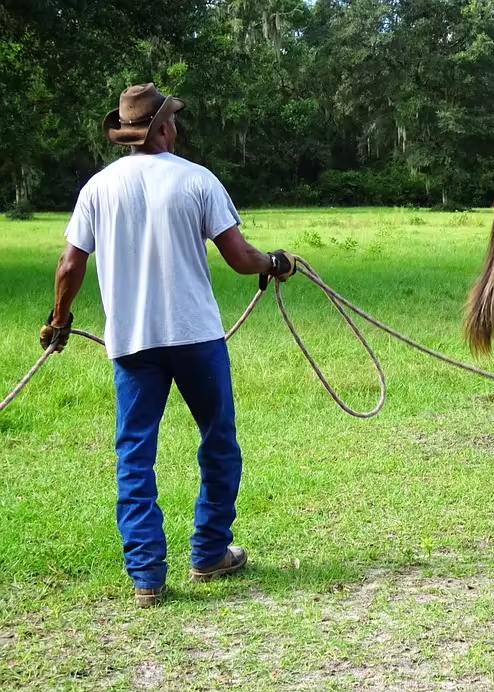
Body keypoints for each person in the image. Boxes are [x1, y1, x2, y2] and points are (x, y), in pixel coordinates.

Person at [40, 83, 296, 608]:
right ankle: (209, 553)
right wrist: (274, 263)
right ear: (160, 128)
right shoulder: (197, 181)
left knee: (135, 454)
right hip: (195, 336)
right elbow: (240, 256)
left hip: (132, 342)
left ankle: (147, 578)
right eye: (172, 120)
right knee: (219, 442)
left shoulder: (98, 188)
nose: (176, 128)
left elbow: (70, 265)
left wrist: (59, 320)